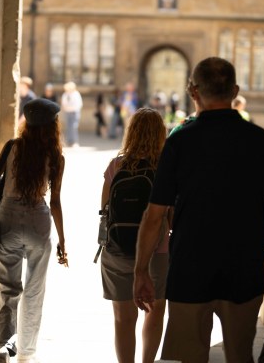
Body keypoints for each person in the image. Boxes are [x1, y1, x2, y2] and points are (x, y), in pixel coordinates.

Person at [133, 57, 264, 363]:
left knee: (191, 357)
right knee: (240, 356)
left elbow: (154, 216)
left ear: (193, 91)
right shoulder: (262, 142)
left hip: (190, 269)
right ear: (234, 90)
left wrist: (141, 271)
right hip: (244, 268)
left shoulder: (179, 141)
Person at [0, 98, 68, 363]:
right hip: (38, 222)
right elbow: (55, 201)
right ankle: (26, 354)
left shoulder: (12, 148)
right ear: (52, 125)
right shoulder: (56, 157)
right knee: (34, 291)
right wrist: (62, 241)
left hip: (7, 220)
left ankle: (2, 347)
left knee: (8, 288)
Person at [100, 108, 171, 363]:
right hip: (157, 251)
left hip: (117, 249)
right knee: (155, 312)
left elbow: (105, 211)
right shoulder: (165, 168)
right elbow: (170, 216)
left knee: (123, 318)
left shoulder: (116, 165)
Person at [60, 81, 83, 147]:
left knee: (74, 127)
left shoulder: (76, 94)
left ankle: (74, 141)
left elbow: (79, 104)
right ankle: (69, 141)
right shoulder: (65, 94)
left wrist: (71, 108)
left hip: (74, 112)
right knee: (68, 127)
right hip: (67, 112)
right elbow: (63, 104)